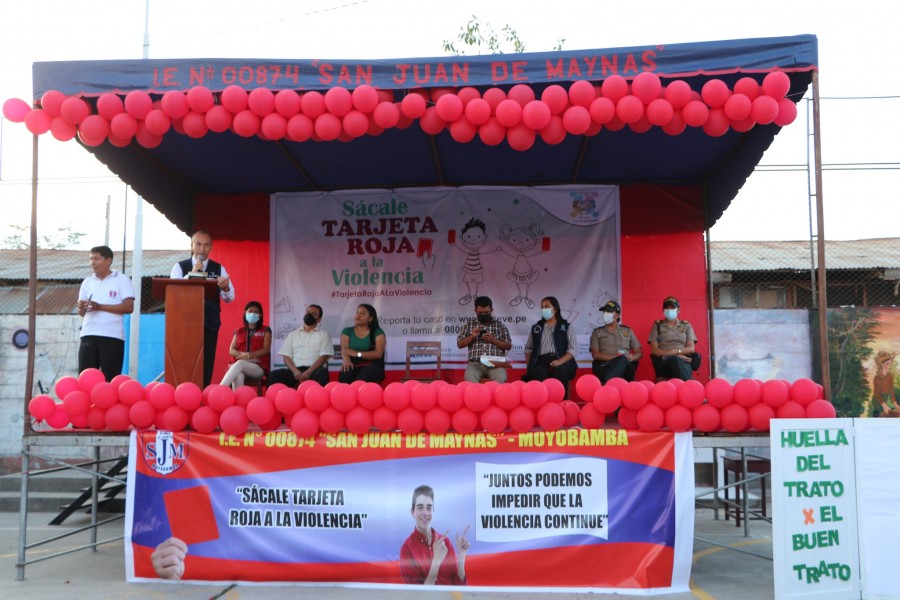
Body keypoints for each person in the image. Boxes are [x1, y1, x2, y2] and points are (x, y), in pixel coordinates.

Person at [170, 230, 235, 387]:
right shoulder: (180, 267)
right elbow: (174, 292)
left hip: (210, 322)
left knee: (206, 362)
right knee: (186, 361)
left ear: (211, 247)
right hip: (186, 323)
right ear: (192, 246)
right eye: (198, 244)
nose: (202, 249)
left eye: (206, 245)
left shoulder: (219, 268)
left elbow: (230, 297)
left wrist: (225, 288)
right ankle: (184, 394)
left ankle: (203, 397)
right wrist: (191, 274)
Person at [76, 245, 135, 381]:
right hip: (88, 335)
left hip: (112, 336)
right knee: (86, 379)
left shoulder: (122, 279)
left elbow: (128, 307)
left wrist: (100, 306)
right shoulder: (87, 282)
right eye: (91, 259)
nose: (92, 262)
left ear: (108, 261)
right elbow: (82, 312)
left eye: (96, 259)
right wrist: (81, 307)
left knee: (110, 379)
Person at [399, 485, 469, 586]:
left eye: (429, 508)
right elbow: (419, 596)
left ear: (433, 511)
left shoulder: (445, 543)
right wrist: (436, 560)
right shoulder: (407, 549)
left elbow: (460, 587)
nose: (425, 512)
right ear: (412, 512)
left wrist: (462, 556)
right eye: (420, 507)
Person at [268, 304, 332, 388]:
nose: (309, 315)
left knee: (322, 373)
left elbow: (323, 357)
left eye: (314, 314)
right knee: (273, 375)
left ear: (319, 319)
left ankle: (318, 400)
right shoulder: (293, 334)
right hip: (295, 371)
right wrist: (295, 371)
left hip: (315, 370)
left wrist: (309, 372)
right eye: (308, 312)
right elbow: (286, 356)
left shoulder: (324, 335)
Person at [523, 296, 577, 395]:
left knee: (560, 372)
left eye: (547, 306)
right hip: (542, 360)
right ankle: (542, 404)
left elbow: (572, 349)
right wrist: (529, 364)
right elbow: (528, 349)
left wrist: (560, 361)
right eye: (542, 307)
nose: (544, 309)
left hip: (561, 359)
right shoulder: (537, 327)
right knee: (538, 373)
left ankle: (561, 404)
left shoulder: (565, 326)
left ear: (555, 309)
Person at [457, 296, 512, 383]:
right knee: (470, 381)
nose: (483, 315)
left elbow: (508, 346)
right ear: (475, 310)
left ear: (491, 310)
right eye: (480, 313)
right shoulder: (469, 325)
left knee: (500, 378)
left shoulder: (499, 325)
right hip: (475, 364)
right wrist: (472, 336)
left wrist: (493, 340)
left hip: (495, 363)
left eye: (486, 312)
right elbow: (460, 344)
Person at [219, 301, 272, 390]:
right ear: (245, 313)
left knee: (240, 363)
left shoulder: (266, 330)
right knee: (239, 374)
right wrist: (243, 356)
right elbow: (231, 350)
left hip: (258, 367)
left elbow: (266, 349)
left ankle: (220, 389)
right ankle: (237, 401)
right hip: (239, 366)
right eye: (250, 311)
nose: (253, 313)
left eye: (256, 312)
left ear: (260, 315)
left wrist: (248, 355)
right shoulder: (239, 331)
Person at [590, 300, 642, 383]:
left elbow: (639, 352)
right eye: (604, 311)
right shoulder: (597, 332)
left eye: (609, 311)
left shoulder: (627, 331)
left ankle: (608, 384)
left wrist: (632, 357)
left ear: (617, 316)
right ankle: (613, 383)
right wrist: (616, 359)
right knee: (621, 361)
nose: (605, 313)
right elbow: (595, 354)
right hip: (605, 366)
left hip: (626, 367)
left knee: (623, 361)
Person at [649, 296, 698, 381]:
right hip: (664, 362)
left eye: (672, 308)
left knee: (678, 361)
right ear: (663, 310)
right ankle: (688, 388)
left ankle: (686, 388)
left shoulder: (686, 325)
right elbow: (654, 350)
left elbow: (691, 348)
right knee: (675, 360)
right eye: (667, 308)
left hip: (684, 361)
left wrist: (676, 352)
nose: (669, 310)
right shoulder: (657, 326)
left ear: (678, 310)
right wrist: (672, 355)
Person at [339, 304, 386, 384]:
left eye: (362, 313)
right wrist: (347, 361)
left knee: (361, 379)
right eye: (357, 312)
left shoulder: (378, 332)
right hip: (353, 363)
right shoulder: (347, 331)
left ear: (370, 318)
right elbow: (345, 350)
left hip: (372, 364)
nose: (358, 315)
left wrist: (357, 354)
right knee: (345, 373)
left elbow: (378, 354)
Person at [872, 350, 899, 417]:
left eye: (890, 363)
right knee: (886, 415)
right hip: (878, 402)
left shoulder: (890, 377)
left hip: (888, 400)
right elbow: (877, 395)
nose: (889, 365)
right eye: (887, 363)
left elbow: (892, 393)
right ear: (882, 364)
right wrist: (885, 406)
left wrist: (896, 405)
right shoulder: (877, 378)